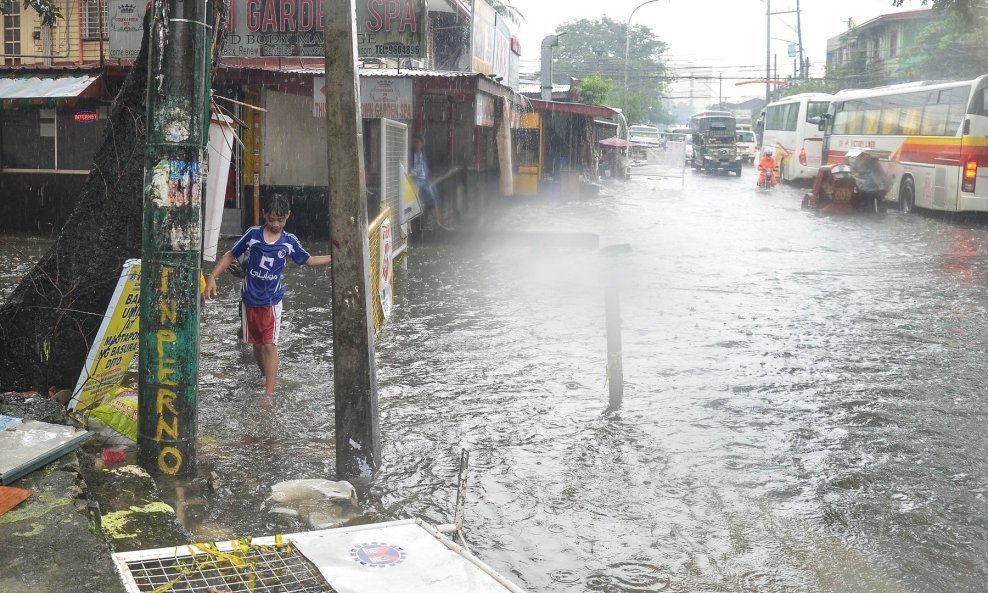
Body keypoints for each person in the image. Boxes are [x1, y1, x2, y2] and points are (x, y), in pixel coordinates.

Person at [205, 195, 331, 398]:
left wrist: (335, 257)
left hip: (271, 301)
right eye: (271, 219)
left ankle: (268, 395)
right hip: (249, 298)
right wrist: (212, 276)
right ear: (264, 215)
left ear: (288, 216)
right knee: (256, 343)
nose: (275, 224)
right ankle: (266, 376)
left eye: (280, 220)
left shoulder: (289, 242)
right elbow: (231, 254)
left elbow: (308, 260)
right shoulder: (253, 235)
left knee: (269, 345)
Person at [412, 134, 448, 230]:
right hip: (414, 180)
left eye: (417, 142)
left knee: (432, 199)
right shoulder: (411, 154)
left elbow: (428, 167)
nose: (416, 144)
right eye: (414, 142)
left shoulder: (425, 155)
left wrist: (430, 178)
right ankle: (412, 225)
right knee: (413, 200)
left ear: (422, 144)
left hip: (424, 180)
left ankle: (437, 222)